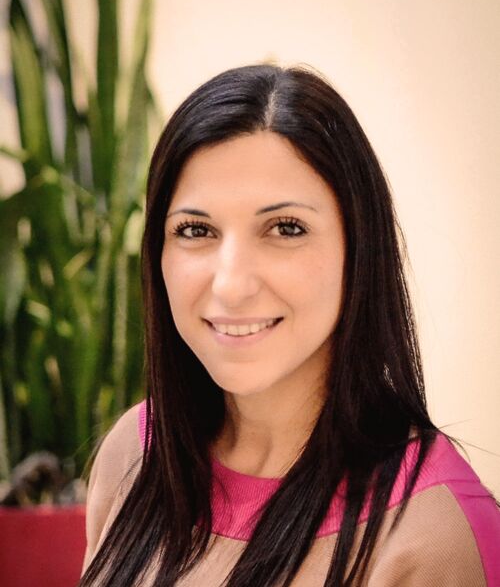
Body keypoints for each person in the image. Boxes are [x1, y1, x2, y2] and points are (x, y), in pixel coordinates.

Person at [79, 63, 500, 586]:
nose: (231, 285)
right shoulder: (137, 451)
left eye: (285, 228)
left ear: (358, 248)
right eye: (196, 230)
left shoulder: (435, 533)